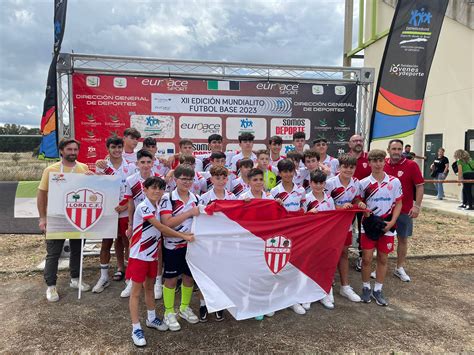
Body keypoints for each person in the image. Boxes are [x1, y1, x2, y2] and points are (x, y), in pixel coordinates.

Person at [127, 176, 194, 347]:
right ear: (145, 189)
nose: (157, 191)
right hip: (139, 256)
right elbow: (163, 228)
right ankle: (135, 328)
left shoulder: (158, 205)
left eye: (160, 188)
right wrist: (184, 236)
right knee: (135, 293)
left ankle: (151, 319)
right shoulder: (143, 207)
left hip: (152, 255)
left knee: (149, 287)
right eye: (153, 188)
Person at [37, 138, 91, 302]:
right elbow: (41, 195)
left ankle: (75, 279)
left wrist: (94, 179)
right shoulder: (50, 170)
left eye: (75, 150)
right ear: (62, 151)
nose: (73, 153)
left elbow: (90, 192)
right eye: (69, 149)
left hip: (78, 218)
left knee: (77, 251)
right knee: (53, 254)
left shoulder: (84, 168)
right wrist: (42, 218)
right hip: (56, 218)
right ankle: (51, 286)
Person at [159, 164, 201, 331]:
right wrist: (189, 213)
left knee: (188, 278)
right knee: (170, 279)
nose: (187, 182)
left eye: (190, 179)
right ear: (175, 179)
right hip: (172, 246)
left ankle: (184, 308)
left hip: (191, 246)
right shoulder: (167, 198)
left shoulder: (196, 198)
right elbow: (167, 223)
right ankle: (169, 312)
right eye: (183, 179)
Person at [359, 149, 402, 306]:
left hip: (388, 225)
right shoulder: (363, 183)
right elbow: (358, 201)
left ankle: (378, 289)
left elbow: (399, 203)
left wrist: (392, 222)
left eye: (380, 160)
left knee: (383, 258)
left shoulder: (394, 182)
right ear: (369, 163)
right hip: (369, 226)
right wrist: (360, 204)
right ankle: (365, 288)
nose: (378, 164)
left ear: (385, 162)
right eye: (374, 161)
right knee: (367, 258)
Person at [92, 137, 134, 293]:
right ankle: (103, 277)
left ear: (122, 148)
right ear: (107, 148)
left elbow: (133, 190)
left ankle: (129, 277)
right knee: (106, 242)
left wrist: (125, 205)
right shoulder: (102, 166)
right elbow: (98, 189)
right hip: (107, 212)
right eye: (113, 147)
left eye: (119, 147)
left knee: (126, 241)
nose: (116, 150)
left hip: (123, 211)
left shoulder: (130, 167)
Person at [325, 154, 366, 304]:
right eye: (345, 167)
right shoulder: (330, 183)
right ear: (339, 168)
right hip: (330, 225)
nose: (348, 170)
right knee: (329, 255)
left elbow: (356, 198)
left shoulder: (356, 183)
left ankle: (345, 286)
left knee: (344, 253)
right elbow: (324, 202)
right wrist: (340, 207)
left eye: (351, 167)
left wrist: (359, 203)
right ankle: (326, 287)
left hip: (346, 225)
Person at [121, 150, 162, 299]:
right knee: (135, 250)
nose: (145, 165)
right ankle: (132, 281)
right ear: (137, 164)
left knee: (157, 251)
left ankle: (158, 281)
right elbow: (130, 203)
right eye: (142, 162)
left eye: (148, 162)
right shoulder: (131, 180)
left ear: (153, 163)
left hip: (154, 220)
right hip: (139, 220)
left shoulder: (158, 178)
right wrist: (131, 224)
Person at [198, 166, 236, 322]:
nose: (220, 181)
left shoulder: (233, 197)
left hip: (225, 242)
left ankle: (220, 305)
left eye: (223, 178)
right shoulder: (204, 197)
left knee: (221, 275)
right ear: (211, 179)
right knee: (205, 275)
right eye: (217, 178)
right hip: (207, 242)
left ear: (227, 179)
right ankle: (203, 304)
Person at [384, 139, 424, 282]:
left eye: (399, 149)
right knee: (383, 239)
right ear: (388, 150)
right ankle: (381, 268)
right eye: (393, 149)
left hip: (405, 210)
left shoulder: (411, 165)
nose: (396, 152)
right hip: (385, 210)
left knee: (402, 239)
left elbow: (419, 186)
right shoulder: (382, 163)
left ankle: (399, 268)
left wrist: (417, 206)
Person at [270, 159, 306, 315]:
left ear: (294, 172)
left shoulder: (301, 190)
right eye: (284, 171)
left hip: (296, 232)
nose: (288, 174)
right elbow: (272, 216)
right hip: (281, 234)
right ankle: (277, 299)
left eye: (290, 171)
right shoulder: (273, 192)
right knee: (279, 265)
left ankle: (293, 299)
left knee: (294, 265)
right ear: (280, 173)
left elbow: (304, 210)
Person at [239, 168, 275, 320]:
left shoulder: (269, 196)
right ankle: (253, 305)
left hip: (265, 240)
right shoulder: (243, 197)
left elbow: (276, 217)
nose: (259, 182)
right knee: (251, 274)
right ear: (248, 182)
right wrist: (242, 205)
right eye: (255, 180)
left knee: (265, 272)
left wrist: (277, 204)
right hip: (249, 241)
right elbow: (237, 218)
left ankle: (264, 303)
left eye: (261, 179)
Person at [302, 170, 336, 310]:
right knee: (309, 266)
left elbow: (334, 218)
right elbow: (301, 217)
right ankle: (307, 295)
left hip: (326, 239)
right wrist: (308, 214)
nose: (318, 185)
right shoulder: (306, 198)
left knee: (325, 266)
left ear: (325, 184)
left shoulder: (330, 199)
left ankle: (325, 293)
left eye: (321, 183)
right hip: (310, 238)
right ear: (310, 183)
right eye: (315, 182)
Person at [348, 134, 370, 272]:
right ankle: (341, 254)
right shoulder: (344, 159)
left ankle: (362, 257)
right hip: (347, 202)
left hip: (365, 202)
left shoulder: (369, 158)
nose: (358, 142)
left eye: (360, 141)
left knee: (364, 230)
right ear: (349, 144)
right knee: (344, 230)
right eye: (355, 141)